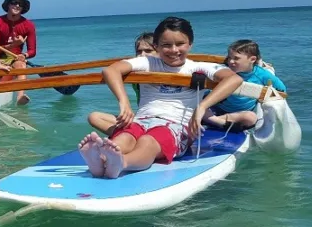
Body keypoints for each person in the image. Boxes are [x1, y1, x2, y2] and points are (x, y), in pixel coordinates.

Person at [77, 17, 244, 179]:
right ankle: (100, 160)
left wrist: (202, 106)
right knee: (125, 137)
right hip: (141, 120)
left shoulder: (199, 67)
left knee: (148, 141)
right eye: (166, 45)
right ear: (156, 46)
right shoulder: (147, 63)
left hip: (175, 126)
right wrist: (124, 102)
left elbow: (234, 79)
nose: (174, 50)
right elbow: (111, 70)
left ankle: (123, 162)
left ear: (190, 44)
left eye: (180, 44)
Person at [202, 39, 287, 129]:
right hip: (215, 107)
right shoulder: (224, 70)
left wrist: (265, 97)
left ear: (252, 59)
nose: (231, 61)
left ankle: (210, 120)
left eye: (236, 58)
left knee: (251, 118)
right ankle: (219, 122)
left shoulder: (263, 75)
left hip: (238, 114)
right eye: (229, 58)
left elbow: (282, 91)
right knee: (200, 103)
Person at [87, 32, 155, 134]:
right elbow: (110, 71)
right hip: (143, 118)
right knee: (94, 117)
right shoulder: (134, 70)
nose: (142, 55)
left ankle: (129, 136)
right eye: (139, 51)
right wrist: (125, 103)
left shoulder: (167, 70)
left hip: (165, 120)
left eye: (148, 51)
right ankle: (129, 135)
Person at [0, 0, 38, 105]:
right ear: (8, 5)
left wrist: (24, 55)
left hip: (15, 59)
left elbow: (32, 51)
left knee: (21, 65)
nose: (17, 5)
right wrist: (13, 45)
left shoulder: (28, 25)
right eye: (14, 2)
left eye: (21, 4)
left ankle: (20, 96)